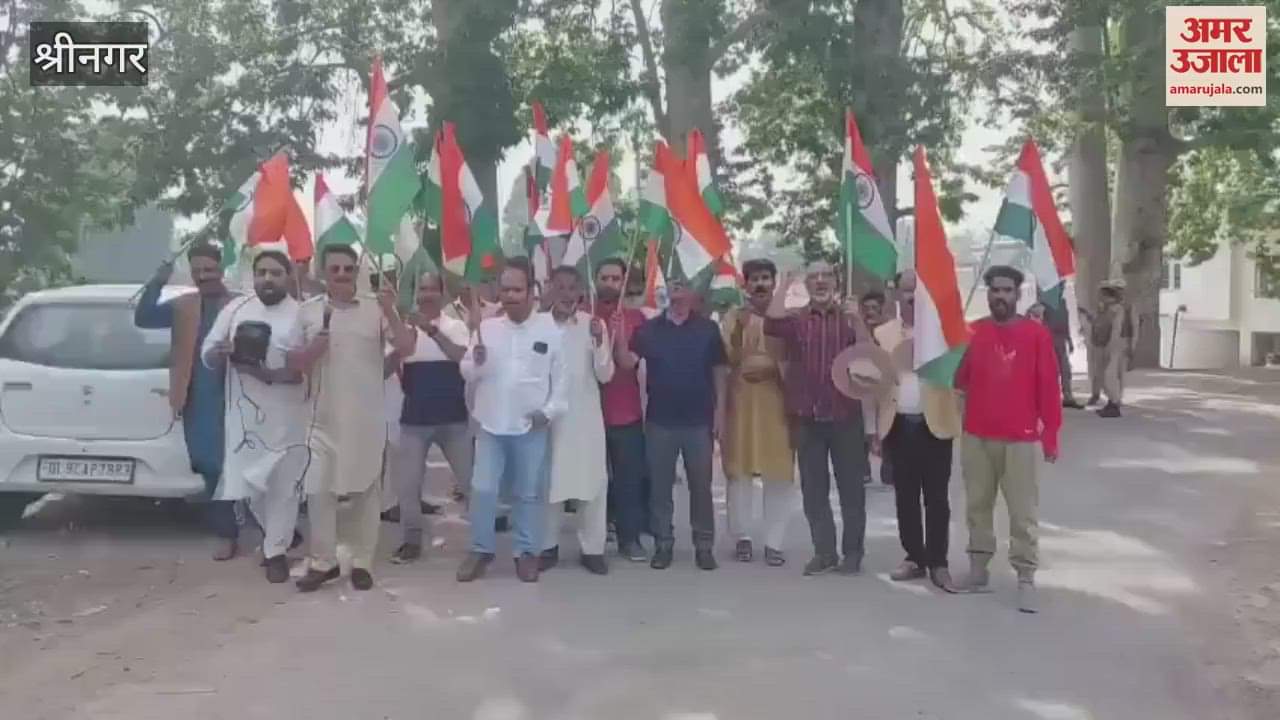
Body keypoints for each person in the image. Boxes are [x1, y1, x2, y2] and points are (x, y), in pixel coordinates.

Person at [286, 244, 414, 592]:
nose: (342, 274)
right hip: (320, 419)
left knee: (365, 490)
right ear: (323, 273)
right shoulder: (308, 312)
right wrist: (313, 350)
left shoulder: (376, 309)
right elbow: (293, 362)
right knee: (318, 489)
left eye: (348, 268)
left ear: (357, 271)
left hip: (365, 416)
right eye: (335, 269)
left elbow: (406, 347)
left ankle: (361, 562)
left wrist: (392, 312)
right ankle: (323, 561)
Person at [955, 265, 1062, 613]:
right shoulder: (974, 332)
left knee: (1022, 512)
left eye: (1007, 290)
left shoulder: (1036, 334)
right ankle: (978, 569)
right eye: (995, 290)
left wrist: (1051, 435)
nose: (1000, 296)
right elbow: (959, 379)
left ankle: (1026, 576)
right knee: (977, 506)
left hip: (1021, 438)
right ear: (987, 293)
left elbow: (1049, 386)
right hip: (978, 436)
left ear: (1018, 294)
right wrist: (953, 349)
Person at [456, 258, 567, 583]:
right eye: (505, 290)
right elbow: (467, 372)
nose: (510, 296)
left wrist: (548, 412)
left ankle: (526, 552)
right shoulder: (487, 329)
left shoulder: (550, 330)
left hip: (530, 427)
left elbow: (562, 383)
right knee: (483, 489)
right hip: (490, 424)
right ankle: (481, 549)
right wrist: (475, 362)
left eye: (517, 290)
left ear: (532, 291)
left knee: (528, 492)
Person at [201, 250, 308, 583]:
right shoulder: (236, 309)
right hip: (244, 418)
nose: (267, 279)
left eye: (275, 273)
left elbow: (309, 367)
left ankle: (275, 553)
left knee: (283, 487)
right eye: (261, 272)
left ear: (288, 277)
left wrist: (271, 373)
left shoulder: (302, 314)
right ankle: (281, 535)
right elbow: (208, 352)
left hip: (288, 415)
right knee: (250, 487)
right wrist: (219, 353)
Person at [134, 244, 241, 560]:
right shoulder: (184, 305)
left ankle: (250, 531)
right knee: (209, 464)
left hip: (237, 394)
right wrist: (157, 281)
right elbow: (144, 317)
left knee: (234, 465)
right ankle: (228, 530)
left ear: (221, 269)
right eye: (198, 271)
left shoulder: (240, 304)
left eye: (209, 269)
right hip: (197, 396)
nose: (204, 276)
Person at [764, 262, 869, 576]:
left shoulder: (849, 318)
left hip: (846, 415)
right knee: (813, 491)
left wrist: (859, 321)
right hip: (807, 416)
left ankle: (853, 553)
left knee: (851, 490)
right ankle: (824, 552)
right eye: (814, 277)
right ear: (807, 284)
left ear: (836, 282)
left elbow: (870, 356)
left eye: (826, 276)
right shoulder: (797, 320)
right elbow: (771, 322)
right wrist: (786, 283)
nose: (821, 281)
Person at [863, 271, 962, 592]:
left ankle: (938, 562)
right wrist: (873, 430)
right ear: (895, 294)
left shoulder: (945, 332)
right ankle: (914, 556)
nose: (911, 297)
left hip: (935, 424)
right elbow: (875, 383)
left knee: (937, 498)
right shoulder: (883, 333)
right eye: (905, 291)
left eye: (917, 291)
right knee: (905, 496)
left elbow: (961, 375)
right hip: (897, 425)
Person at [630, 277, 729, 571]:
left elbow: (720, 372)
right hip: (660, 420)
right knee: (660, 488)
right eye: (671, 285)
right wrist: (618, 337)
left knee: (701, 486)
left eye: (682, 285)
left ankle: (704, 545)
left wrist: (720, 413)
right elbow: (626, 362)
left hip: (699, 420)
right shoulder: (649, 330)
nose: (676, 291)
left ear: (692, 292)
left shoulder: (708, 329)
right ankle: (663, 543)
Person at [388, 271, 474, 564]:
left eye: (431, 289)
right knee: (408, 487)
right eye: (421, 289)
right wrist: (400, 343)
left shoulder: (456, 326)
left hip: (454, 421)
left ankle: (481, 542)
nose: (426, 295)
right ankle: (411, 541)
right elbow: (386, 368)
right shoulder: (404, 329)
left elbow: (462, 357)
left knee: (471, 484)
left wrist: (432, 331)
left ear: (442, 293)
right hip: (414, 421)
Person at [720, 259, 795, 567]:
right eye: (755, 279)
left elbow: (795, 358)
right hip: (742, 402)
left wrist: (774, 370)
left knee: (779, 473)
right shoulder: (734, 317)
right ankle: (742, 537)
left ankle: (774, 543)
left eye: (766, 278)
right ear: (746, 285)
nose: (761, 284)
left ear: (774, 283)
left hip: (779, 402)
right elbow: (729, 357)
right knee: (739, 473)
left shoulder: (788, 318)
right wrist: (741, 326)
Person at [540, 266, 614, 575]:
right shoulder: (538, 325)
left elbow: (606, 375)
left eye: (573, 288)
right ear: (550, 289)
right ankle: (547, 547)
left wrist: (598, 342)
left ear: (581, 292)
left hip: (586, 418)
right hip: (549, 419)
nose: (567, 294)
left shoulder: (593, 324)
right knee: (549, 484)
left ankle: (593, 549)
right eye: (561, 287)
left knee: (592, 482)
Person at [594, 258, 652, 562]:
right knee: (594, 481)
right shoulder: (582, 316)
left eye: (616, 278)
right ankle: (594, 541)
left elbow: (628, 363)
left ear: (624, 282)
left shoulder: (637, 319)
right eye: (604, 277)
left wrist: (618, 338)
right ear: (595, 280)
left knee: (629, 480)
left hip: (626, 413)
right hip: (589, 415)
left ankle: (630, 540)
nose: (610, 283)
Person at [859, 289, 894, 487]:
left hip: (884, 388)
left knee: (886, 426)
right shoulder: (855, 330)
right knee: (862, 427)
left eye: (874, 308)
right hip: (861, 387)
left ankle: (889, 468)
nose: (870, 312)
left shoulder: (889, 333)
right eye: (866, 308)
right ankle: (862, 469)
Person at [1092, 280, 1134, 418]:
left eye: (1101, 294)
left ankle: (1115, 404)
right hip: (1102, 344)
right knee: (1102, 376)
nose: (1099, 296)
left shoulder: (1117, 309)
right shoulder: (1104, 309)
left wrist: (1111, 346)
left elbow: (1116, 328)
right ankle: (1111, 403)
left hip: (1113, 346)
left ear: (1107, 295)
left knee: (1108, 376)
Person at [1041, 299, 1083, 409]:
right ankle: (1049, 398)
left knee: (1065, 369)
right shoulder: (1044, 303)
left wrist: (1069, 340)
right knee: (1051, 369)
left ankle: (1068, 396)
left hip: (1061, 339)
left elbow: (1065, 322)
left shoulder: (1062, 302)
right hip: (1049, 338)